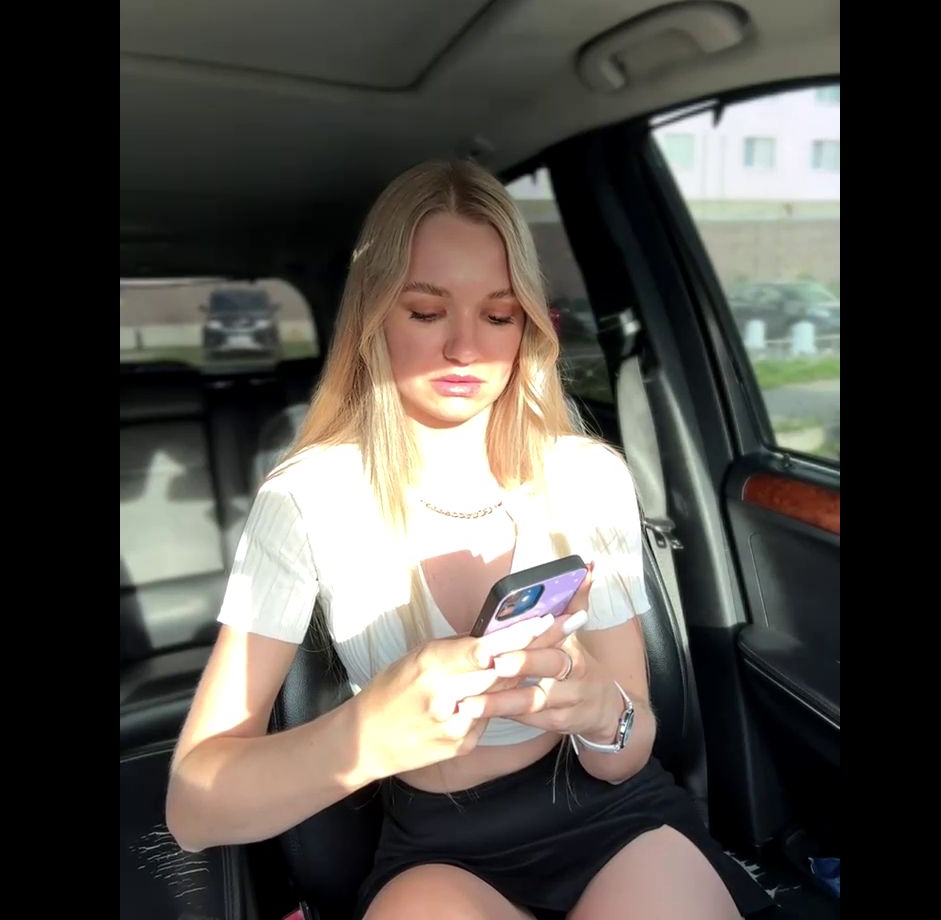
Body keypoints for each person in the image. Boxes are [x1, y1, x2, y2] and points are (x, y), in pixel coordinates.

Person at [166, 160, 773, 920]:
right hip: (440, 851)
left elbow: (627, 751)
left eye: (499, 315)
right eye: (426, 312)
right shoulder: (306, 498)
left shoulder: (587, 476)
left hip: (614, 820)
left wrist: (600, 712)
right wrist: (366, 735)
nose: (465, 349)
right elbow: (194, 807)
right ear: (373, 316)